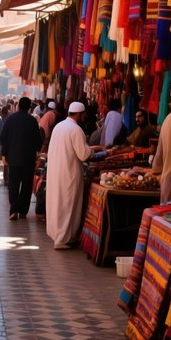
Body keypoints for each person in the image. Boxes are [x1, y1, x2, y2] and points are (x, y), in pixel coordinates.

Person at [46, 102, 104, 249]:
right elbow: (83, 154)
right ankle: (62, 238)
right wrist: (94, 151)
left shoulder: (59, 127)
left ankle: (59, 235)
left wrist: (91, 148)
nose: (84, 116)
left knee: (58, 203)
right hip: (69, 173)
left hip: (57, 171)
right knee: (67, 205)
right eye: (84, 114)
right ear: (79, 114)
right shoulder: (76, 129)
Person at [0, 96, 43, 220]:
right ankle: (23, 210)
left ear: (18, 106)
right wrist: (35, 150)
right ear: (30, 107)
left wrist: (5, 153)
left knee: (13, 183)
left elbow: (3, 137)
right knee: (26, 184)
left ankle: (13, 209)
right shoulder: (33, 121)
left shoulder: (10, 119)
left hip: (13, 158)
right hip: (28, 159)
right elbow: (38, 141)